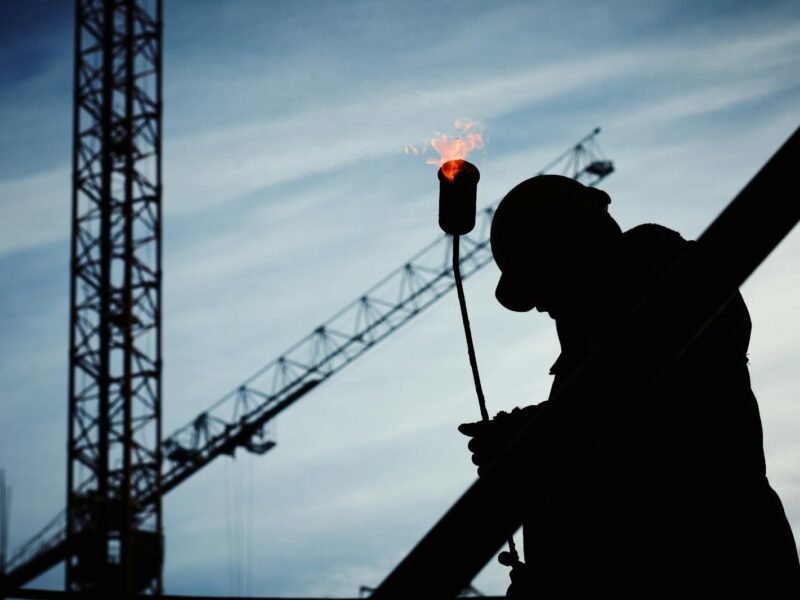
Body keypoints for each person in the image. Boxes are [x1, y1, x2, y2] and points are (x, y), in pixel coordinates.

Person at [459, 175, 800, 597]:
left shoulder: (677, 291)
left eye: (540, 280)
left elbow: (655, 436)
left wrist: (531, 440)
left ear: (569, 245)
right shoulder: (596, 354)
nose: (541, 305)